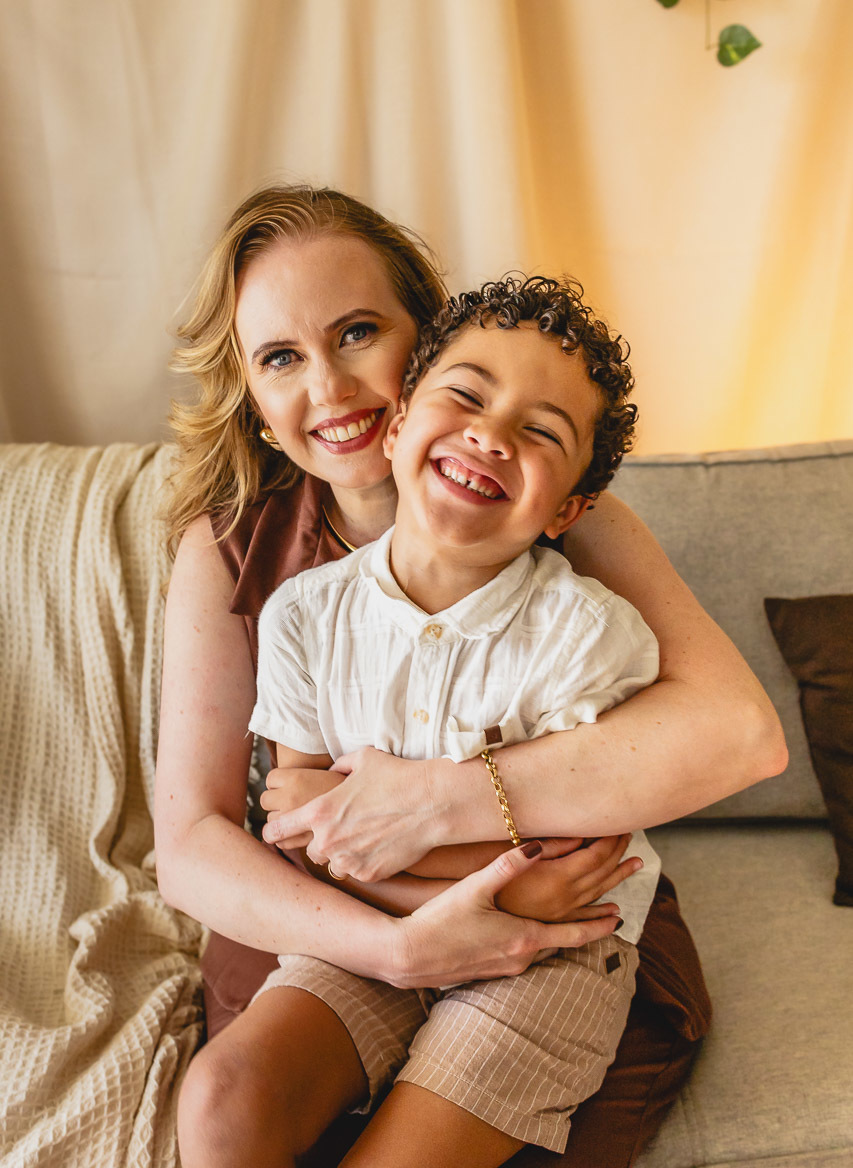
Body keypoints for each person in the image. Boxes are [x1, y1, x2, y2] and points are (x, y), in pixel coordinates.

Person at [155, 184, 786, 1168]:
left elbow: (733, 735)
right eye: (280, 356)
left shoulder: (556, 530)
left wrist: (436, 802)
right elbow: (204, 837)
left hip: (546, 924)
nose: (327, 385)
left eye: (357, 331)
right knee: (235, 1104)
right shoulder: (247, 558)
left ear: (422, 338)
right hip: (329, 916)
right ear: (249, 387)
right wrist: (400, 945)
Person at [247, 275, 665, 1158]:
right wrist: (462, 894)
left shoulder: (590, 636)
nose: (489, 433)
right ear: (398, 427)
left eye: (540, 430)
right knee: (225, 1097)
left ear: (567, 511)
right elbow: (298, 828)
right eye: (467, 395)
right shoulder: (301, 614)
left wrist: (371, 844)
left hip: (550, 953)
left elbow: (574, 870)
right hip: (374, 930)